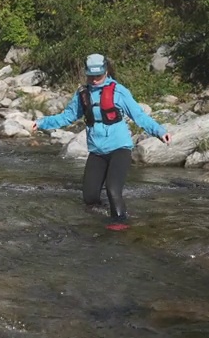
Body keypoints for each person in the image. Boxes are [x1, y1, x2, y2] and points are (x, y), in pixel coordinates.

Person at [26, 53, 171, 230]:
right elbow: (68, 116)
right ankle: (97, 222)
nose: (94, 80)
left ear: (106, 71)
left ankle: (120, 224)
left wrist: (159, 131)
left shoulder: (119, 91)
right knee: (89, 197)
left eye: (98, 76)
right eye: (91, 76)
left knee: (112, 189)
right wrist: (42, 122)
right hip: (97, 152)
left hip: (120, 149)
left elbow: (139, 115)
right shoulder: (83, 94)